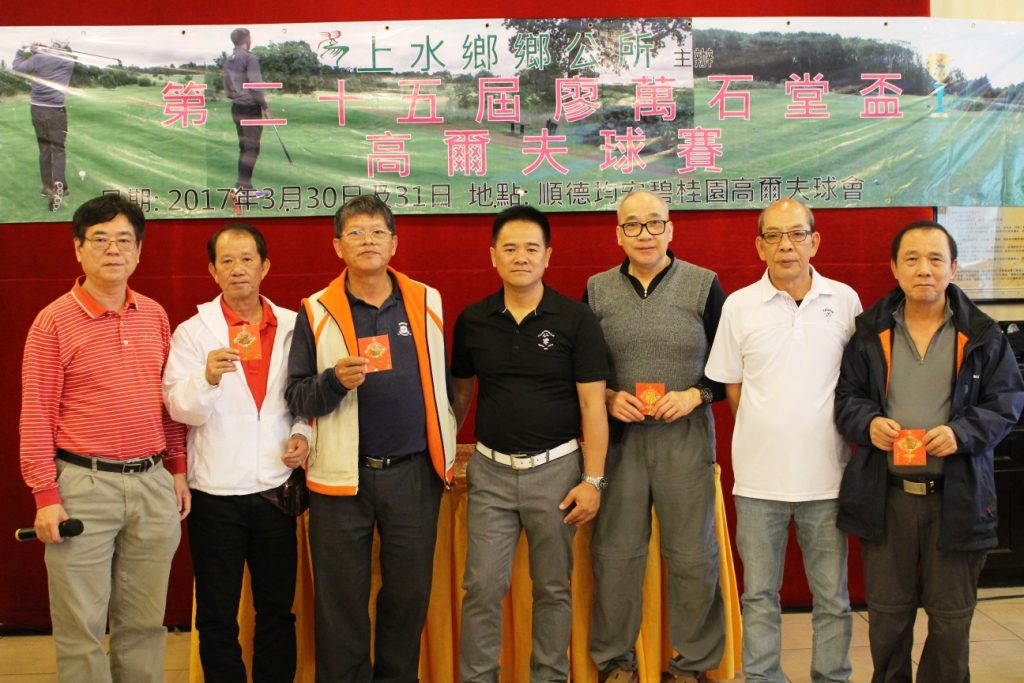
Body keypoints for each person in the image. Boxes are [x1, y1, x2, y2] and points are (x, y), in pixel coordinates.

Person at [835, 220, 1024, 683]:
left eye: (936, 259)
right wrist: (868, 423)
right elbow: (846, 399)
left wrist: (961, 433)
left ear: (953, 268)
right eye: (912, 259)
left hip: (957, 497)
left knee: (951, 619)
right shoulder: (869, 332)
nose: (924, 269)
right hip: (888, 496)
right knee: (888, 616)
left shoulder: (983, 334)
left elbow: (1007, 403)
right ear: (894, 268)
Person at [18, 194, 190, 682]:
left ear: (139, 251)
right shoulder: (53, 322)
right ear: (78, 248)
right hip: (82, 488)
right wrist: (45, 495)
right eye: (99, 239)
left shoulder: (155, 315)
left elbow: (168, 401)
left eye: (124, 240)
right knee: (82, 630)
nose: (113, 250)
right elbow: (37, 414)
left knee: (145, 625)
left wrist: (177, 468)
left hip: (153, 484)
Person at [285, 194, 456, 683]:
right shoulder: (316, 309)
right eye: (355, 233)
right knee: (340, 601)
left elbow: (442, 385)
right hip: (342, 478)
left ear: (394, 243)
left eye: (378, 232)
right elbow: (297, 395)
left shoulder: (426, 301)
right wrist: (334, 381)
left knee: (408, 595)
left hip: (413, 473)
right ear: (337, 246)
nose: (368, 241)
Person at [705, 198, 861, 683]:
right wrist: (767, 427)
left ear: (815, 241)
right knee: (759, 595)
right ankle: (762, 676)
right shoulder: (738, 306)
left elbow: (858, 382)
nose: (786, 245)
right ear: (759, 246)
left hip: (828, 478)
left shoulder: (844, 300)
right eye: (773, 236)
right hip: (758, 481)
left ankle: (831, 677)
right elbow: (732, 385)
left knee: (832, 598)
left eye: (796, 234)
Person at [452, 205, 609, 683]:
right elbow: (459, 399)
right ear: (493, 256)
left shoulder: (576, 319)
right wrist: (443, 453)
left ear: (547, 256)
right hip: (491, 474)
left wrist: (593, 480)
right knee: (481, 587)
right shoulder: (472, 320)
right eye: (510, 248)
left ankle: (549, 676)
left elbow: (593, 406)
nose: (521, 257)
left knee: (553, 589)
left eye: (531, 248)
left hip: (557, 473)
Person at [585, 189, 726, 683]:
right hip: (619, 441)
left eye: (654, 223)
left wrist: (695, 395)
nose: (644, 234)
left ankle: (692, 664)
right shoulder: (597, 289)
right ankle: (615, 661)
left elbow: (729, 368)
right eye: (632, 225)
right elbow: (583, 369)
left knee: (692, 555)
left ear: (670, 229)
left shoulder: (704, 285)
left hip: (684, 435)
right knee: (615, 554)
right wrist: (607, 397)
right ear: (618, 234)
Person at [163, 223, 310, 682]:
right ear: (212, 271)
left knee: (277, 610)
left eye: (247, 259)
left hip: (274, 490)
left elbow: (303, 397)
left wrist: (303, 433)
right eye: (226, 261)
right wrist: (206, 377)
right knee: (217, 616)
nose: (237, 269)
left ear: (265, 266)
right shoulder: (193, 333)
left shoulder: (293, 325)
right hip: (215, 494)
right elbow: (178, 407)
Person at [12, 41, 75, 211]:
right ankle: (61, 187)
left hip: (37, 110)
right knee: (58, 150)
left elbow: (17, 67)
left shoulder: (39, 58)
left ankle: (48, 188)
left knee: (45, 150)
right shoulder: (68, 62)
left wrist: (24, 49)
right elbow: (68, 54)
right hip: (57, 111)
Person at [223, 28, 271, 196]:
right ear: (247, 39)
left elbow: (228, 91)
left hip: (236, 107)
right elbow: (255, 86)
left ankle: (243, 188)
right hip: (250, 108)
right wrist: (265, 107)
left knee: (245, 148)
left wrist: (239, 96)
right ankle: (241, 190)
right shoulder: (250, 58)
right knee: (251, 149)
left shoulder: (228, 60)